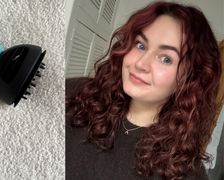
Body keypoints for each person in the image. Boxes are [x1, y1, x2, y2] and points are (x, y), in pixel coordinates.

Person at [66, 1, 222, 180]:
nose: (140, 64)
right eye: (140, 45)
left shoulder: (184, 172)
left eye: (166, 59)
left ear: (190, 78)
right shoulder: (76, 94)